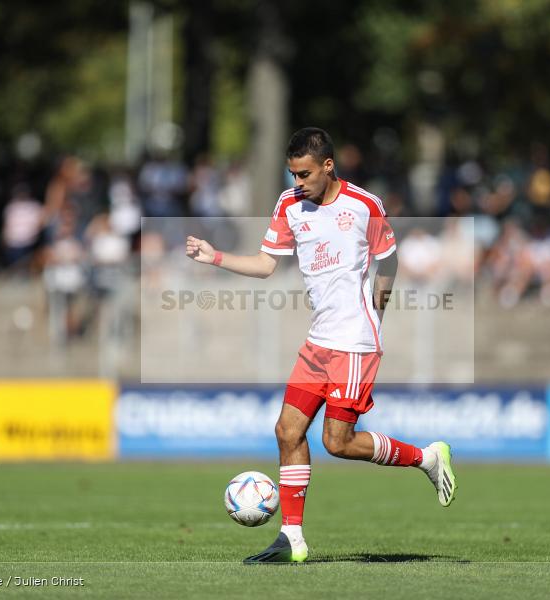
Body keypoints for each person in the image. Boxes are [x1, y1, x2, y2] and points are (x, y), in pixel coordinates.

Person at [186, 128, 456, 564]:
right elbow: (265, 264)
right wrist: (214, 257)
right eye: (293, 174)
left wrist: (377, 311)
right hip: (318, 341)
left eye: (306, 174)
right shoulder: (289, 205)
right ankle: (291, 539)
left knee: (337, 441)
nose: (298, 182)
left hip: (354, 342)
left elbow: (389, 257)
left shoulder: (364, 205)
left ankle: (427, 457)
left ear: (328, 166)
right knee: (287, 431)